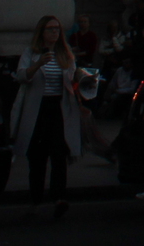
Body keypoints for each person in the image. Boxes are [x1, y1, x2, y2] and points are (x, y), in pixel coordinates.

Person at [10, 15, 95, 220]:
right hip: (37, 110)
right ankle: (35, 202)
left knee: (59, 154)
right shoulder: (31, 53)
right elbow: (21, 76)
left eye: (57, 29)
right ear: (42, 32)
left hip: (59, 108)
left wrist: (82, 79)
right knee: (37, 158)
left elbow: (72, 77)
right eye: (50, 29)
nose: (55, 32)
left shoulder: (64, 54)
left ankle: (59, 198)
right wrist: (38, 64)